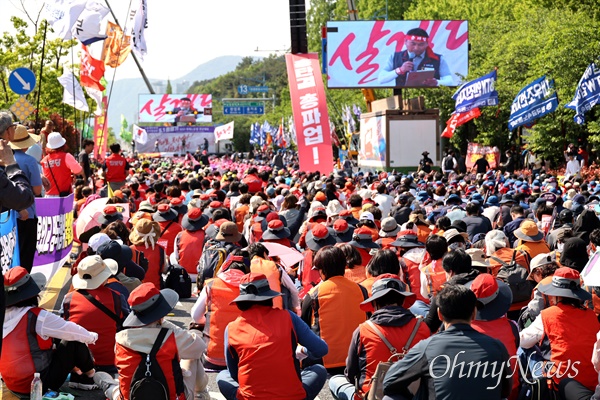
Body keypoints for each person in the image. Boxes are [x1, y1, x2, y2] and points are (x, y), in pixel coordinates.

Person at [382, 285, 512, 400]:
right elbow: (506, 391)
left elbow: (389, 381)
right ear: (474, 313)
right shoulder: (497, 346)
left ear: (439, 315)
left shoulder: (427, 347)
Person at [216, 273, 329, 400]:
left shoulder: (231, 328)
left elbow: (234, 373)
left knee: (222, 375)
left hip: (251, 397)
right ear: (269, 296)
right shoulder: (289, 317)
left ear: (242, 301)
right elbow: (321, 349)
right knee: (319, 370)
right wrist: (303, 352)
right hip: (292, 396)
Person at [93, 283, 210, 400]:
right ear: (160, 314)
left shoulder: (120, 339)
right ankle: (201, 395)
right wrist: (164, 323)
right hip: (170, 397)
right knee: (191, 357)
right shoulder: (173, 336)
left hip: (131, 396)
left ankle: (108, 385)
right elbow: (200, 347)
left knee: (111, 386)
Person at [329, 274, 430, 400]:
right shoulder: (422, 327)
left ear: (374, 303)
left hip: (373, 395)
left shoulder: (363, 330)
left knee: (335, 380)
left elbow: (351, 374)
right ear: (403, 301)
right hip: (415, 395)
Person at [0, 267, 99, 395]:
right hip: (38, 384)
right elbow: (72, 331)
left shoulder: (3, 315)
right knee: (73, 341)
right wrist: (92, 337)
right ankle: (90, 376)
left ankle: (79, 371)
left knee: (55, 336)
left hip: (12, 383)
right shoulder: (38, 317)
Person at [520, 267, 599, 395]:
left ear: (556, 295)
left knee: (524, 349)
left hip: (560, 384)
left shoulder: (548, 315)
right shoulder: (591, 315)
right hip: (592, 383)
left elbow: (523, 341)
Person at [301, 246, 368, 371]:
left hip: (323, 363)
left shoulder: (314, 294)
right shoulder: (361, 290)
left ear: (323, 270)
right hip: (357, 360)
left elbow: (303, 328)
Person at [61, 255, 127, 379]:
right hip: (110, 364)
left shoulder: (68, 299)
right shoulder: (117, 297)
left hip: (78, 366)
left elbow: (63, 326)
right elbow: (128, 325)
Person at [9, 125, 42, 272]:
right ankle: (24, 290)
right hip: (27, 214)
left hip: (7, 216)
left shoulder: (4, 160)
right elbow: (37, 190)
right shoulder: (30, 161)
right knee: (25, 255)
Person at [378, 27, 454, 87]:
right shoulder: (395, 57)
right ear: (405, 42)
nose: (416, 48)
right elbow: (381, 79)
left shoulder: (438, 59)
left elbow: (449, 81)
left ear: (427, 44)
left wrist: (437, 82)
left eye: (421, 44)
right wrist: (400, 70)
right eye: (413, 44)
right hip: (402, 95)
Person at [41, 132, 82, 196]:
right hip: (64, 196)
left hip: (48, 196)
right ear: (63, 145)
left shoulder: (44, 160)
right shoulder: (66, 156)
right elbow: (79, 170)